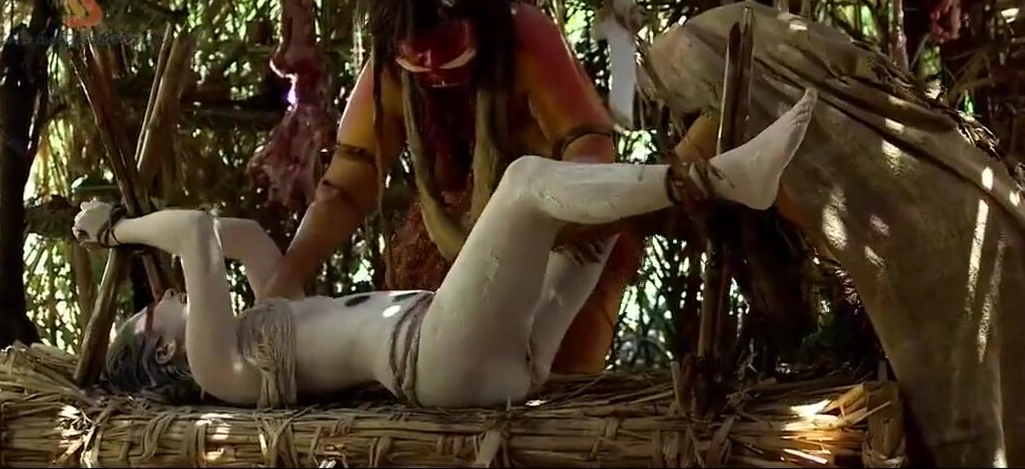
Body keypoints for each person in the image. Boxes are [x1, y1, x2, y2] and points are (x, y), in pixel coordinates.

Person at [79, 90, 817, 408]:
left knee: (587, 237)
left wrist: (142, 231)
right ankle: (716, 178)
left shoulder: (263, 327)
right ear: (166, 351)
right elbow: (195, 233)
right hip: (435, 358)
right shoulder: (219, 368)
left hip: (487, 356)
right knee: (526, 184)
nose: (162, 297)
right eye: (151, 314)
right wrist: (116, 229)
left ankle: (714, 153)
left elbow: (238, 238)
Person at [258, 0, 642, 374]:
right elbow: (346, 186)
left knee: (556, 372)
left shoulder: (524, 37)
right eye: (415, 48)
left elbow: (589, 148)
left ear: (475, 20)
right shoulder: (390, 67)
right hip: (448, 245)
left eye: (444, 41)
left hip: (557, 233)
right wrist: (285, 276)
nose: (430, 61)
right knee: (445, 372)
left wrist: (540, 220)